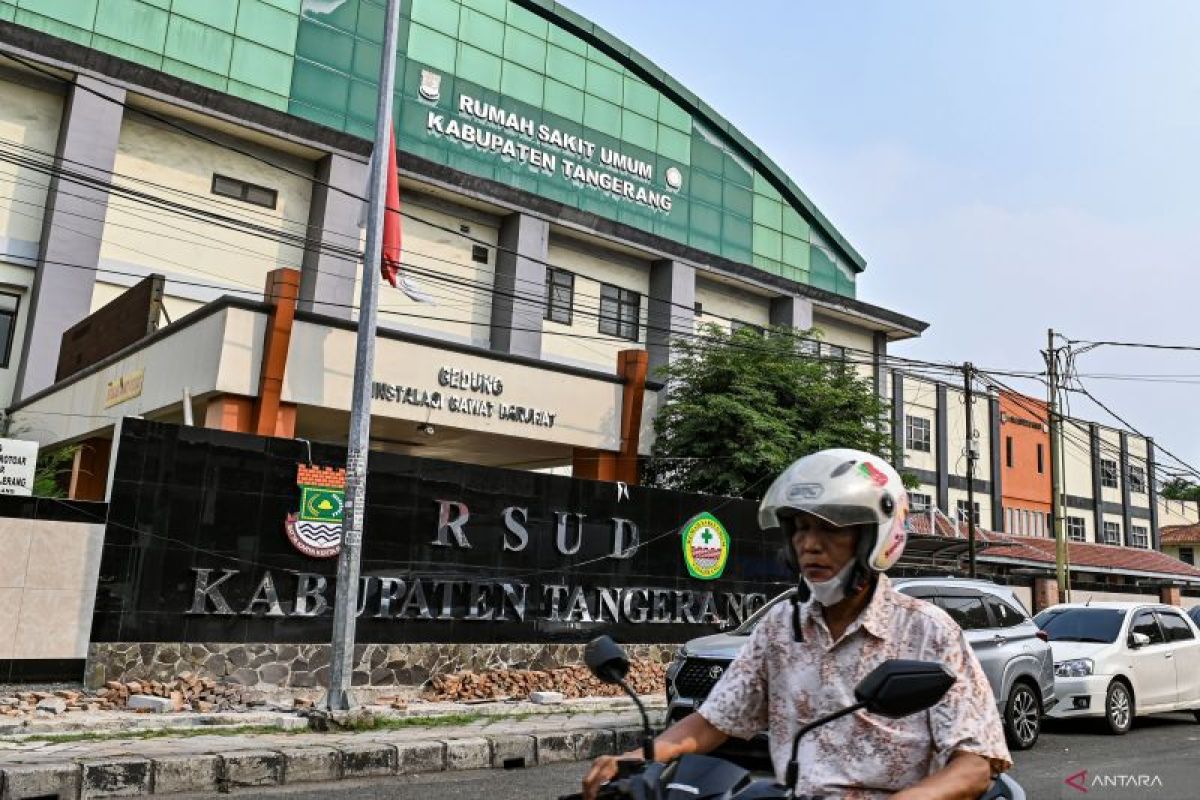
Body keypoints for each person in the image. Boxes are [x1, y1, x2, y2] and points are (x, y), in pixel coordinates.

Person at [583, 449, 1012, 800]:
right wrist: (640, 758)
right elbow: (715, 720)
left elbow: (977, 764)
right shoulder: (781, 627)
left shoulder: (926, 631)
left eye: (829, 528)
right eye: (801, 528)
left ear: (875, 537)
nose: (809, 544)